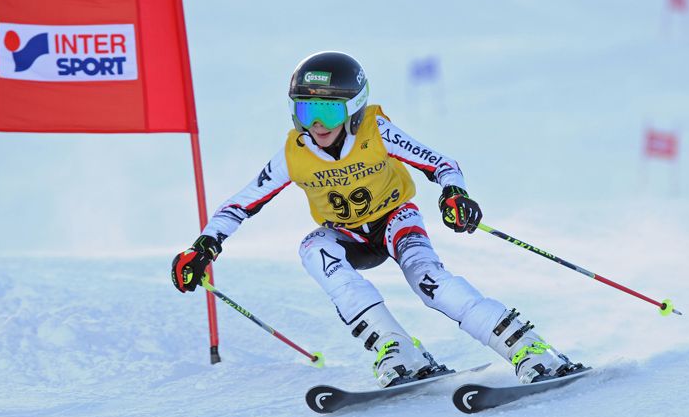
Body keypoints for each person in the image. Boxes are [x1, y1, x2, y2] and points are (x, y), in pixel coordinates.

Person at [172, 51, 577, 388]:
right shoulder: (294, 154)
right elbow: (240, 204)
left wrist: (454, 193)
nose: (317, 125)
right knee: (313, 247)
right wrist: (204, 245)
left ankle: (528, 348)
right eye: (307, 110)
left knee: (428, 282)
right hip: (347, 235)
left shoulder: (376, 131)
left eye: (328, 112)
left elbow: (441, 163)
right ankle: (396, 347)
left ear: (353, 108)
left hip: (395, 219)